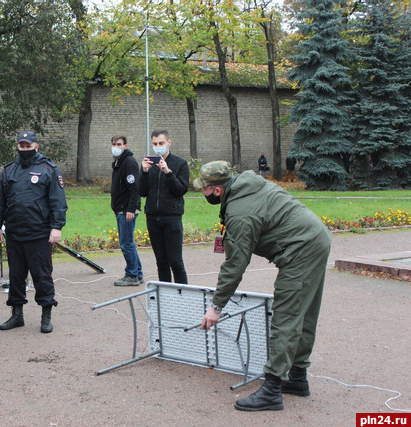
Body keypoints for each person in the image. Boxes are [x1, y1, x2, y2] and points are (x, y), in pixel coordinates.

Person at [195, 160, 332, 412]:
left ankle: (271, 390)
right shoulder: (247, 185)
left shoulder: (241, 212)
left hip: (300, 249)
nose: (201, 192)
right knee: (304, 312)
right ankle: (298, 379)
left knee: (286, 316)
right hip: (314, 238)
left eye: (203, 188)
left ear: (217, 190)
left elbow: (235, 265)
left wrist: (216, 307)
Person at [0, 131, 67, 333]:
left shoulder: (48, 169)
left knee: (42, 275)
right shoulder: (9, 170)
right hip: (15, 232)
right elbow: (1, 201)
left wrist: (57, 227)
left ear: (36, 146)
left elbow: (58, 202)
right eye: (21, 146)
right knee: (16, 276)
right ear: (17, 146)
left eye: (28, 146)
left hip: (39, 233)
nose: (25, 149)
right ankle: (17, 315)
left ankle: (46, 314)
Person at [139, 129, 189, 284]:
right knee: (161, 262)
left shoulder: (180, 163)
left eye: (161, 143)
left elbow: (180, 189)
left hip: (172, 217)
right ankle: (165, 295)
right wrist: (145, 173)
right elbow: (142, 191)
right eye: (155, 144)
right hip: (153, 217)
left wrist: (168, 172)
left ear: (168, 142)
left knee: (176, 261)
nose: (158, 146)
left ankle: (184, 294)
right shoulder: (150, 163)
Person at [110, 135, 143, 286]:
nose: (116, 147)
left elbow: (135, 187)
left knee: (126, 244)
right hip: (120, 208)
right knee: (129, 243)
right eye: (114, 144)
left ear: (125, 145)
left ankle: (132, 275)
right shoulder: (118, 162)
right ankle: (138, 273)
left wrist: (131, 208)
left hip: (126, 209)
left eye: (119, 144)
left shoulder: (128, 162)